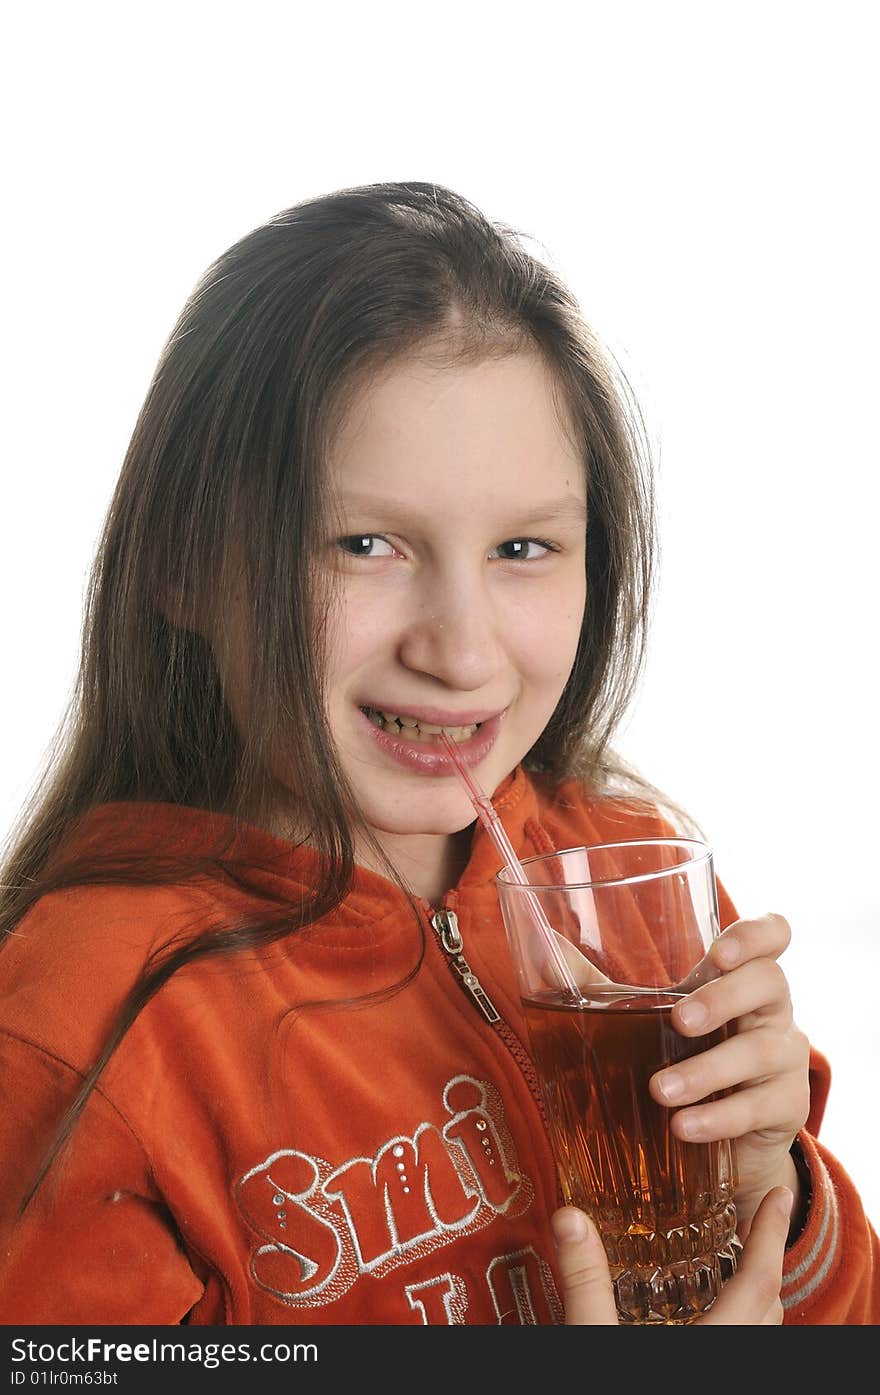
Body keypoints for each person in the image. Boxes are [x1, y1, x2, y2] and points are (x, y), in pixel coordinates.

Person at [0, 181, 876, 1328]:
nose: (461, 653)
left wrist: (778, 1194)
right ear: (180, 562)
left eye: (523, 546)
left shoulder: (633, 879)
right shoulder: (76, 1029)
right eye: (364, 544)